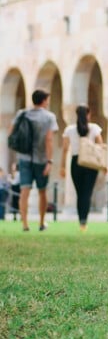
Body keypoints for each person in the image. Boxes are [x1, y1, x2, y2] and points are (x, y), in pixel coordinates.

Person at [8, 89, 58, 232]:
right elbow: (49, 139)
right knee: (42, 191)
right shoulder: (49, 117)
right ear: (43, 101)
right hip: (41, 159)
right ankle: (42, 223)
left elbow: (11, 131)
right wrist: (49, 161)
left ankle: (25, 224)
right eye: (47, 100)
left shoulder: (22, 113)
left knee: (24, 191)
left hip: (24, 157)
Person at [60, 104, 104, 231]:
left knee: (80, 194)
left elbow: (64, 149)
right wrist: (103, 164)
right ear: (88, 115)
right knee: (87, 193)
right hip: (90, 163)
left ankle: (82, 221)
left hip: (76, 163)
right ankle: (84, 221)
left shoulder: (69, 130)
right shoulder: (94, 128)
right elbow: (100, 146)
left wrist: (62, 166)